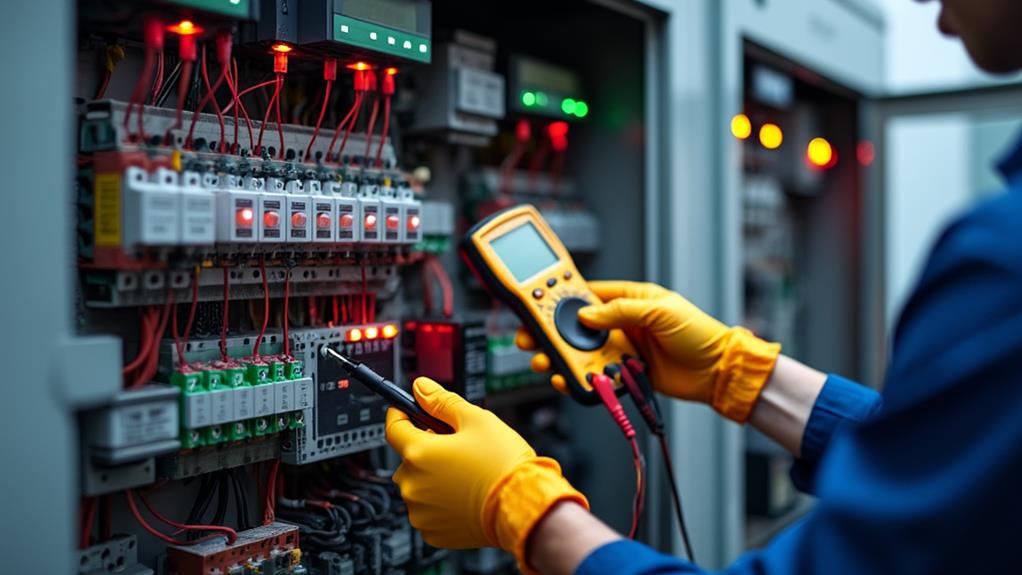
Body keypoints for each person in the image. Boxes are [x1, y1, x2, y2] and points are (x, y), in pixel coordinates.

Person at [385, 0, 1022, 572]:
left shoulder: (1001, 256)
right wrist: (739, 372)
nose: (934, 15)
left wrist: (521, 512)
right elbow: (956, 476)